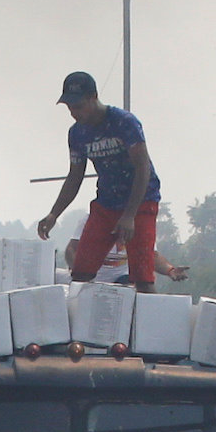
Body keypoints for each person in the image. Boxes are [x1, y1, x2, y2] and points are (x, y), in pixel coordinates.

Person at [37, 71, 161, 290]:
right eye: (70, 108)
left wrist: (130, 215)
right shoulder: (77, 134)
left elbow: (143, 168)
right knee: (81, 273)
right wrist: (54, 213)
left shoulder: (124, 123)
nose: (74, 113)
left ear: (94, 97)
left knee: (142, 276)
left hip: (140, 202)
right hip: (106, 203)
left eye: (79, 106)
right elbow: (75, 176)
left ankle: (147, 317)